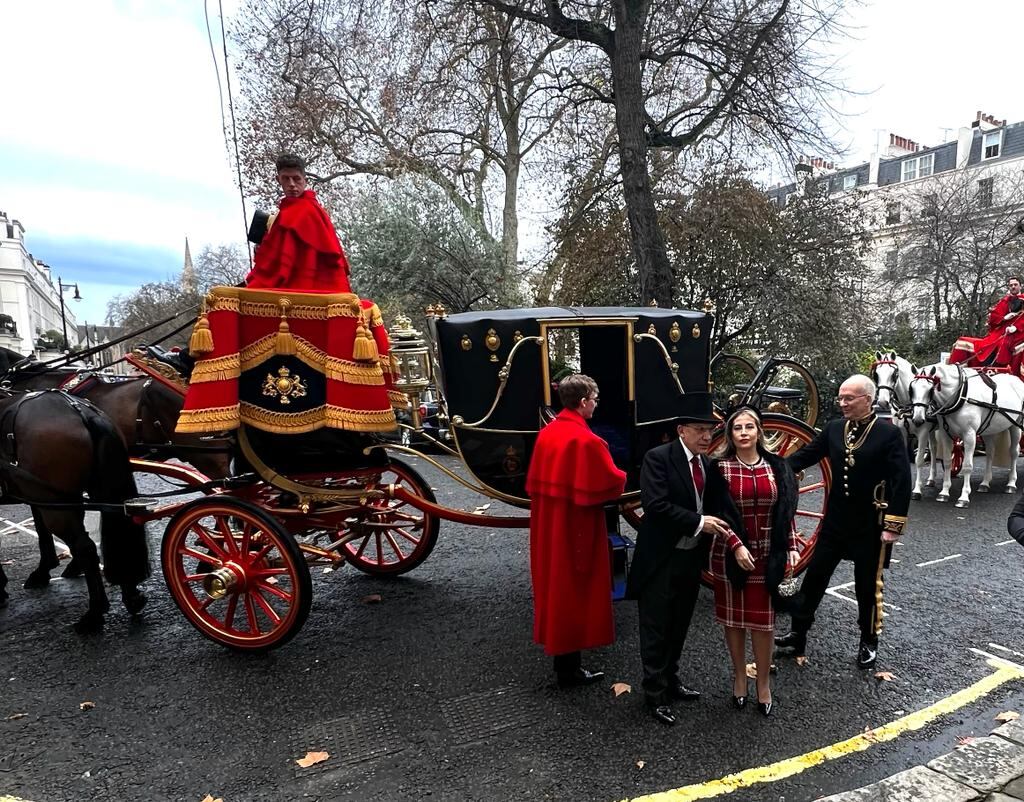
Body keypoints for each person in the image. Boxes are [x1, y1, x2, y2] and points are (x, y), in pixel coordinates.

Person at [775, 375, 911, 669]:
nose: (843, 403)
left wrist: (893, 526)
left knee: (867, 586)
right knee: (814, 579)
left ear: (868, 399)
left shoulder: (888, 435)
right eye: (840, 398)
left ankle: (868, 641)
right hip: (836, 521)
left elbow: (902, 481)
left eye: (849, 398)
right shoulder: (835, 429)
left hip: (870, 524)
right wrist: (773, 467)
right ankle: (798, 634)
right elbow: (807, 455)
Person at [626, 392, 732, 726]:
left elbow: (720, 505)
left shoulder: (708, 464)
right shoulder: (658, 458)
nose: (706, 437)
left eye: (710, 431)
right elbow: (656, 506)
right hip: (661, 558)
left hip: (691, 558)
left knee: (680, 623)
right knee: (656, 627)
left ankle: (671, 680)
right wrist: (701, 522)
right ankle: (654, 695)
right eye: (700, 430)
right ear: (681, 430)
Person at [525, 374, 627, 687]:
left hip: (550, 524)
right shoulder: (585, 440)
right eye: (594, 399)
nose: (596, 405)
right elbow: (612, 481)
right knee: (574, 590)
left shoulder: (549, 431)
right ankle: (569, 669)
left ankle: (565, 665)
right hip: (577, 528)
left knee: (557, 588)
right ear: (583, 403)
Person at [709, 406, 799, 716]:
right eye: (738, 428)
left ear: (759, 432)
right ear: (730, 435)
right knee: (733, 622)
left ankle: (762, 684)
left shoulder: (777, 466)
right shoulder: (719, 468)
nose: (744, 432)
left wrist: (790, 545)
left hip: (767, 554)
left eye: (750, 427)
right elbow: (717, 512)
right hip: (730, 554)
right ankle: (738, 678)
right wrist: (735, 545)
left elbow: (786, 510)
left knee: (764, 624)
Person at [245, 153, 353, 292]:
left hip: (306, 287)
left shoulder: (309, 211)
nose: (291, 185)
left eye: (296, 179)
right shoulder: (282, 214)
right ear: (278, 180)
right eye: (286, 179)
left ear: (305, 180)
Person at [950, 276, 1024, 370]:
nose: (1013, 287)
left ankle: (1001, 367)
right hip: (1001, 331)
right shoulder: (1005, 301)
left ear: (1020, 286)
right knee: (984, 343)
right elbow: (993, 317)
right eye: (1011, 285)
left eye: (1015, 285)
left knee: (1003, 343)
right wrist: (1004, 318)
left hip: (1018, 333)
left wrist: (1017, 327)